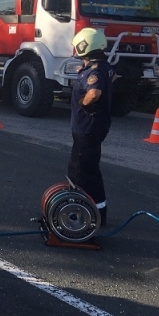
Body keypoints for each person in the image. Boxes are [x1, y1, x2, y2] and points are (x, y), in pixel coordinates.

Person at [68, 27, 114, 225]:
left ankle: (83, 214)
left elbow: (94, 93)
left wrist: (83, 103)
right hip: (94, 127)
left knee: (80, 172)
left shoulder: (94, 70)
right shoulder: (104, 66)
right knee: (90, 170)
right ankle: (97, 212)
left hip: (87, 129)